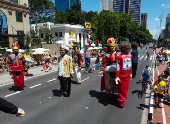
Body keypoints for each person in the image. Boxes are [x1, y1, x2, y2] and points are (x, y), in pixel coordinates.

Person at [116, 41, 132, 109]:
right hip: (127, 75)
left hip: (121, 76)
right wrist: (131, 74)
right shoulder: (130, 56)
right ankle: (123, 99)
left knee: (120, 89)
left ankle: (121, 102)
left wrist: (117, 76)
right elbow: (131, 66)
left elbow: (117, 68)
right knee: (125, 88)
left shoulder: (119, 57)